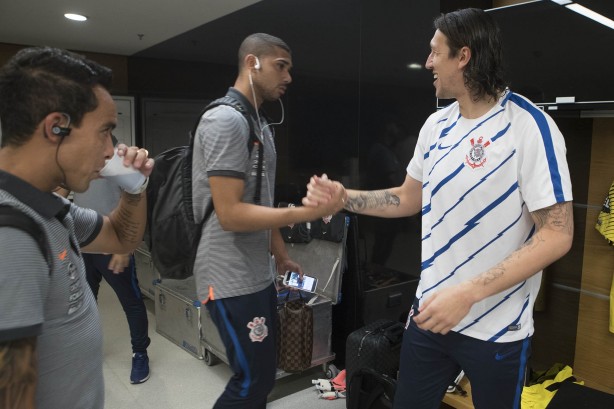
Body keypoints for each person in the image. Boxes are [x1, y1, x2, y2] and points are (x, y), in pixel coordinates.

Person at [305, 8, 574, 409]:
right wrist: (347, 198)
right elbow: (408, 197)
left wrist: (467, 294)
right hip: (430, 318)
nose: (428, 62)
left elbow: (557, 234)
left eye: (435, 52)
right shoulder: (436, 127)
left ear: (463, 56)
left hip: (498, 329)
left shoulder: (530, 126)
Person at [191, 33, 344, 408]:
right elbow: (229, 214)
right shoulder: (225, 120)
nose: (289, 76)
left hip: (256, 274)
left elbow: (261, 202)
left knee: (262, 375)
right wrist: (306, 213)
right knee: (252, 380)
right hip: (226, 277)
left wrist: (280, 254)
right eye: (281, 66)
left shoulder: (260, 126)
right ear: (251, 63)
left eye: (289, 67)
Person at [0, 47, 153, 409]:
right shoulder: (12, 238)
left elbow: (120, 236)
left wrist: (135, 188)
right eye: (104, 133)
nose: (108, 151)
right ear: (56, 127)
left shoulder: (50, 210)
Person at [72, 168, 151, 384]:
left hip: (112, 246)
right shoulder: (78, 158)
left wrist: (125, 247)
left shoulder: (119, 162)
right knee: (85, 304)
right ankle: (89, 350)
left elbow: (136, 199)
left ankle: (140, 353)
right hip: (83, 246)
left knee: (131, 302)